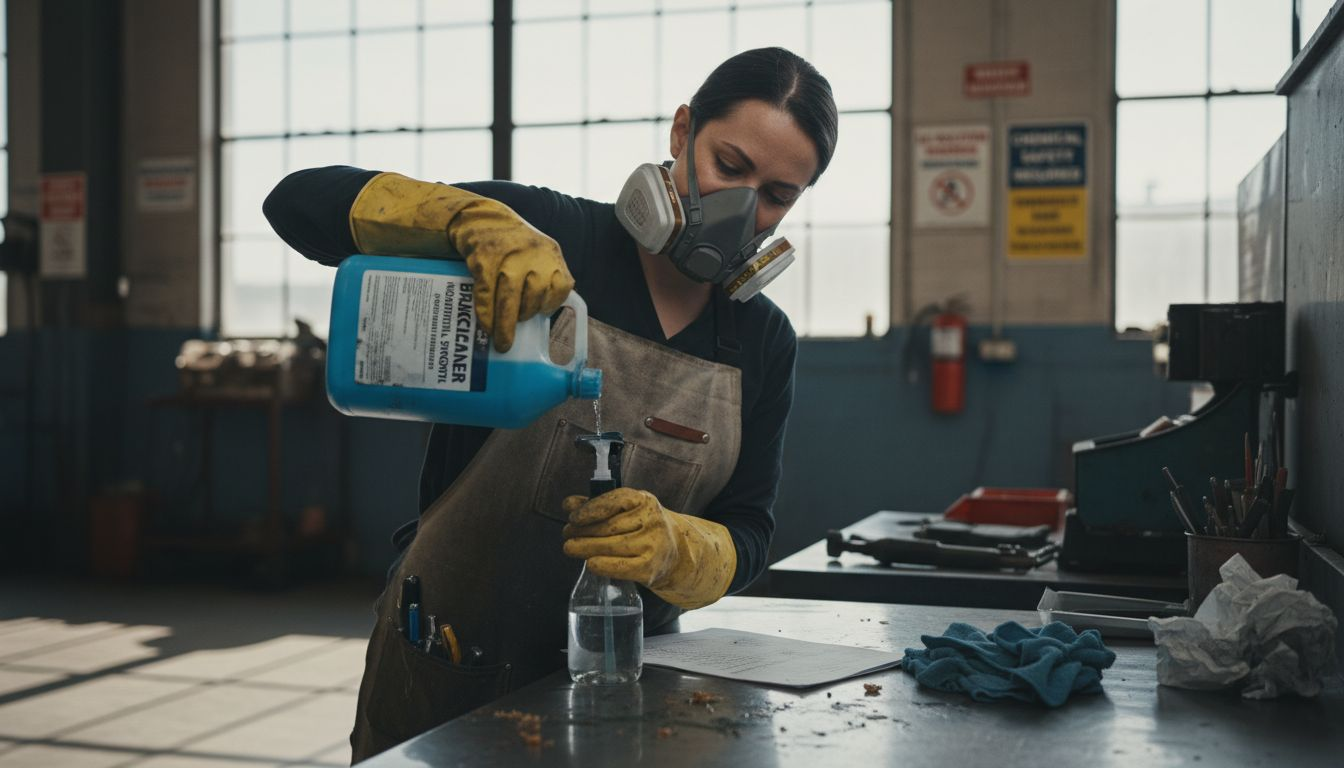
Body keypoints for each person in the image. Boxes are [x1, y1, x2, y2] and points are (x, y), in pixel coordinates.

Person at [263, 46, 838, 760]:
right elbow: (293, 202)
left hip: (626, 687)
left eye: (778, 195)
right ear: (682, 133)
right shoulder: (541, 236)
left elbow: (749, 529)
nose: (744, 209)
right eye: (730, 165)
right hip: (444, 664)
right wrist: (460, 221)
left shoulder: (762, 341)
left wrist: (677, 548)